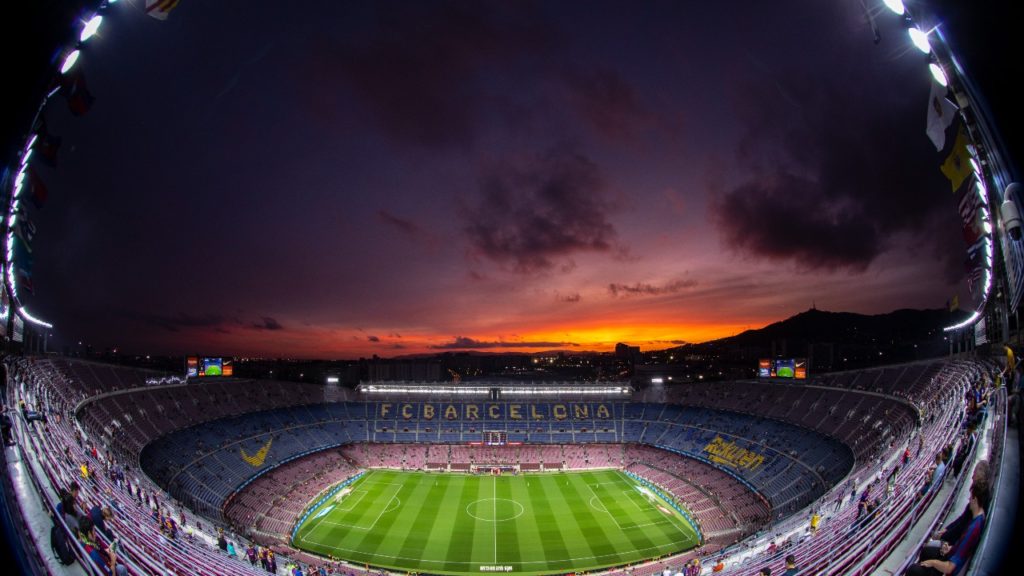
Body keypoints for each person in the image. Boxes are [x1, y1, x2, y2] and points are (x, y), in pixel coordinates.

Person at [906, 482, 989, 576]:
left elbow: (950, 568)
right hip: (950, 555)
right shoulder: (978, 519)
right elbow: (961, 549)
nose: (969, 499)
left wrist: (932, 562)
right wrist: (950, 549)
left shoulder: (973, 528)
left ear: (975, 499)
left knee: (913, 570)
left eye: (971, 497)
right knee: (927, 551)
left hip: (948, 568)